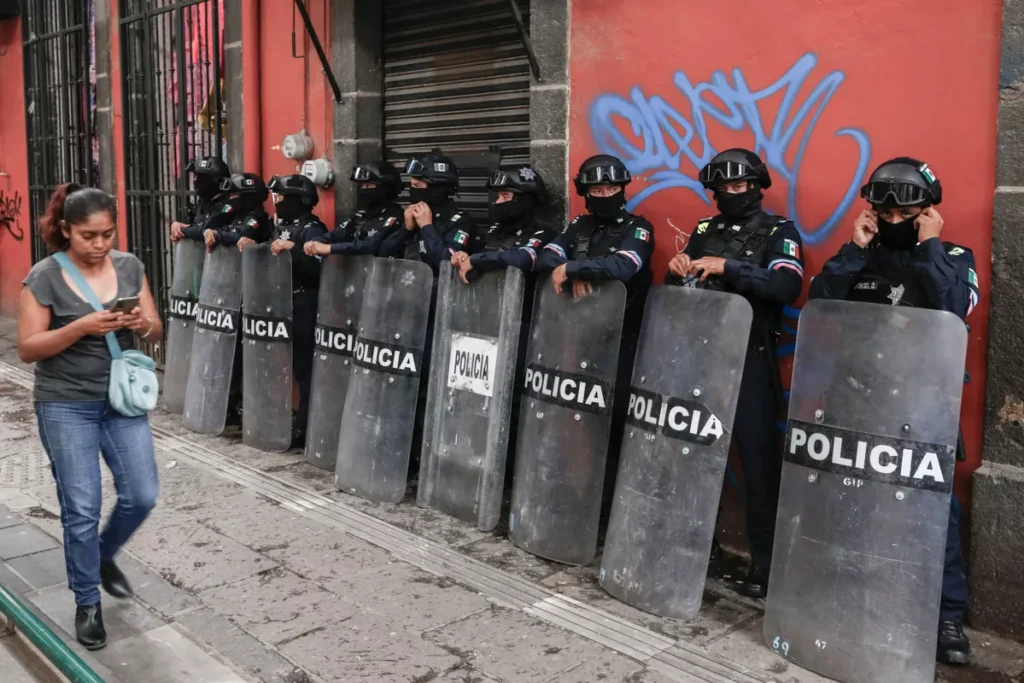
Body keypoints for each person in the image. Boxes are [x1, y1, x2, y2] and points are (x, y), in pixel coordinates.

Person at [808, 157, 978, 665]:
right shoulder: (860, 255)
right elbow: (821, 302)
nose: (894, 220)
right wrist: (853, 249)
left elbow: (955, 308)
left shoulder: (952, 254)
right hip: (859, 401)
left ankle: (947, 616)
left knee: (936, 512)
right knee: (852, 505)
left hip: (924, 404)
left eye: (908, 213)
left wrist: (928, 247)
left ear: (927, 210)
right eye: (886, 213)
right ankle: (856, 599)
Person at [17, 184, 163, 650]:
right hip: (65, 404)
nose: (100, 245)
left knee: (141, 494)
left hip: (121, 402)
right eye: (88, 236)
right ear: (65, 231)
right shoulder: (44, 277)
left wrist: (139, 323)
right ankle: (87, 602)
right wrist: (82, 325)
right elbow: (27, 348)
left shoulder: (129, 266)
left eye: (107, 234)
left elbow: (156, 327)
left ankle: (100, 556)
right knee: (81, 509)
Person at [664, 148, 805, 599]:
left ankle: (765, 563)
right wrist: (678, 269)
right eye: (723, 187)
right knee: (691, 456)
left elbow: (786, 285)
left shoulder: (779, 231)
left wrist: (731, 267)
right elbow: (684, 285)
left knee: (758, 463)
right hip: (701, 357)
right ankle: (699, 549)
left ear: (757, 186)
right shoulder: (705, 230)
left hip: (749, 358)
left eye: (740, 185)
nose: (731, 193)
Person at [267, 175, 328, 449]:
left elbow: (319, 268)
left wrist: (294, 250)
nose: (279, 202)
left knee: (305, 369)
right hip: (279, 303)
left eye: (283, 197)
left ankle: (304, 426)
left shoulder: (312, 228)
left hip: (305, 304)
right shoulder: (280, 226)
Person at [451, 166, 556, 284]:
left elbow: (523, 259)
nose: (497, 202)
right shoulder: (496, 230)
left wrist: (476, 260)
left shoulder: (544, 234)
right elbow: (476, 255)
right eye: (497, 196)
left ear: (525, 201)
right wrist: (462, 257)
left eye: (505, 196)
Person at [380, 154, 482, 268]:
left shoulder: (459, 221)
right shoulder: (411, 215)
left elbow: (449, 264)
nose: (412, 190)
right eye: (411, 185)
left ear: (436, 190)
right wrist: (406, 229)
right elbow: (382, 254)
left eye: (417, 186)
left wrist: (427, 227)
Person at [305, 161, 405, 258]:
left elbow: (370, 246)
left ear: (386, 188)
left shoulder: (396, 216)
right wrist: (315, 242)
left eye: (369, 185)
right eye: (362, 186)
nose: (364, 190)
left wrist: (329, 248)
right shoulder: (361, 216)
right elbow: (336, 234)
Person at [169, 156, 236, 244]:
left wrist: (183, 231)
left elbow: (204, 228)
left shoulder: (229, 203)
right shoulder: (203, 202)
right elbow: (191, 224)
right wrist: (175, 226)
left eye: (200, 177)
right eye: (195, 176)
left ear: (215, 180)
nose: (195, 180)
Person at [204, 173, 273, 252]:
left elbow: (241, 233)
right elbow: (216, 225)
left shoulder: (258, 216)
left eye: (234, 195)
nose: (231, 198)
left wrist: (217, 235)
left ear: (247, 197)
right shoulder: (237, 214)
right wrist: (209, 232)